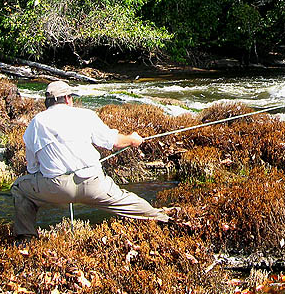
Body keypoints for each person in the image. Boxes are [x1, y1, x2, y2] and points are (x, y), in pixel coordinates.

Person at [11, 81, 171, 241]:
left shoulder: (36, 122)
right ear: (67, 99)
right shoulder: (85, 115)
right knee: (125, 200)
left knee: (19, 188)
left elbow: (32, 167)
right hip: (93, 183)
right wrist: (132, 139)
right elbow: (114, 142)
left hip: (55, 188)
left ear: (48, 101)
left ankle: (26, 239)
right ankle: (163, 219)